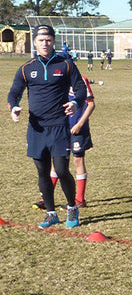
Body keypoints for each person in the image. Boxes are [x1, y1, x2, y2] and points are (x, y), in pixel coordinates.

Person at [7, 24, 86, 228]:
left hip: (58, 126)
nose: (45, 43)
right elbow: (13, 92)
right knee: (42, 171)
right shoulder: (26, 68)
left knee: (61, 170)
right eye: (41, 40)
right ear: (35, 42)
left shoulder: (66, 64)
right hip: (36, 128)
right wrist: (14, 107)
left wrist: (76, 103)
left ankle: (71, 207)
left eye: (49, 39)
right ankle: (51, 213)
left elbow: (80, 89)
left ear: (53, 41)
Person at [33, 74, 95, 211]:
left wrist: (79, 124)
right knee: (57, 162)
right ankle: (46, 198)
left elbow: (91, 104)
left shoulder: (81, 79)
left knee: (78, 161)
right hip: (61, 129)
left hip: (78, 130)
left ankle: (79, 199)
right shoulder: (56, 79)